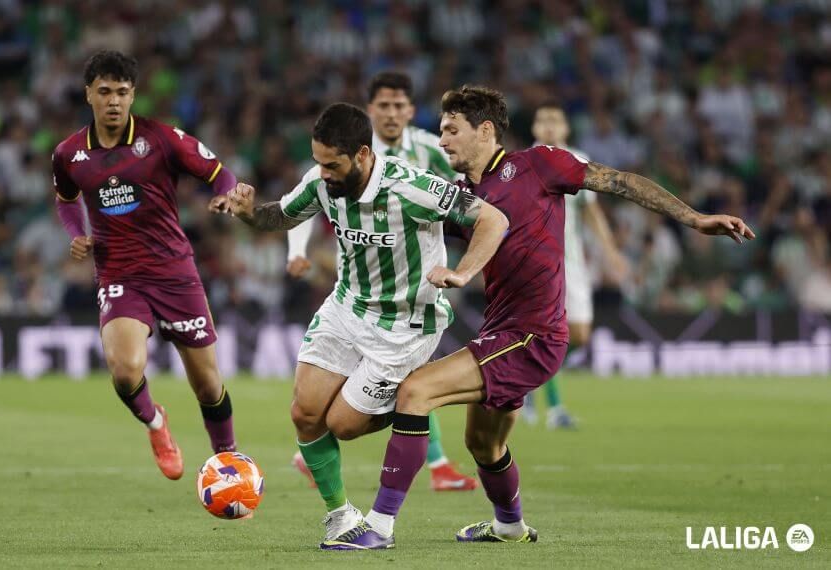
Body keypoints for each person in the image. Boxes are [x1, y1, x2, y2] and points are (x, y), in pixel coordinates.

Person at [323, 85, 754, 550]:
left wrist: (693, 219)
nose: (442, 141)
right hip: (502, 332)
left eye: (451, 130)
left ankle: (380, 526)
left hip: (533, 335)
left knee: (416, 391)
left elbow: (620, 181)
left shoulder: (539, 163)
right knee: (484, 445)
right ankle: (510, 526)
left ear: (484, 131)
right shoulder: (461, 197)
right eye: (441, 131)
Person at [224, 102, 508, 547]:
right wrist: (248, 213)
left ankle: (418, 395)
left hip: (405, 326)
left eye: (332, 165)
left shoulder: (411, 187)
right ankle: (340, 516)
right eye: (318, 162)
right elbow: (279, 215)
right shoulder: (321, 182)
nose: (323, 174)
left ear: (361, 155)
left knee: (343, 424)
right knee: (305, 413)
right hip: (347, 308)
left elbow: (493, 218)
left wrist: (464, 272)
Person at [53, 50, 239, 480]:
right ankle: (156, 424)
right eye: (105, 92)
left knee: (208, 384)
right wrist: (76, 234)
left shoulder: (161, 139)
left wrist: (225, 195)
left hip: (175, 272)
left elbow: (219, 173)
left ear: (133, 94)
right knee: (125, 371)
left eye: (122, 92)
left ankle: (228, 463)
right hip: (119, 274)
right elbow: (66, 200)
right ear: (88, 94)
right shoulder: (68, 154)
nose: (114, 101)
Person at [287, 71, 476, 491]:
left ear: (411, 110)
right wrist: (296, 251)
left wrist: (474, 247)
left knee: (391, 387)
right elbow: (302, 203)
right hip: (357, 289)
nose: (391, 113)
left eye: (399, 105)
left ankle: (436, 460)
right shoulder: (340, 155)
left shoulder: (431, 150)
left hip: (415, 285)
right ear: (371, 111)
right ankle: (434, 457)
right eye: (384, 106)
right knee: (340, 404)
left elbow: (472, 192)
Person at [521, 101, 628, 429]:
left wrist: (610, 251)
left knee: (580, 334)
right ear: (535, 128)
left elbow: (591, 212)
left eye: (555, 120)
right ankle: (555, 410)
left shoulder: (578, 160)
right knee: (549, 331)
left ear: (566, 128)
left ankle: (529, 382)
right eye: (543, 120)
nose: (549, 126)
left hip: (572, 260)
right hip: (537, 260)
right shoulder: (522, 163)